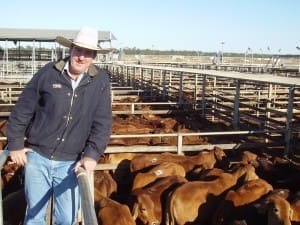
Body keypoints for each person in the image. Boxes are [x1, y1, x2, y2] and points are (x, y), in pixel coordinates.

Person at [6, 27, 113, 225]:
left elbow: (103, 121)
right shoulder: (48, 73)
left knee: (67, 218)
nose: (82, 57)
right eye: (79, 50)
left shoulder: (100, 81)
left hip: (71, 163)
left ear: (94, 56)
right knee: (34, 216)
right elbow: (23, 109)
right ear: (70, 49)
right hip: (38, 158)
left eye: (88, 53)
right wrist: (15, 144)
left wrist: (92, 154)